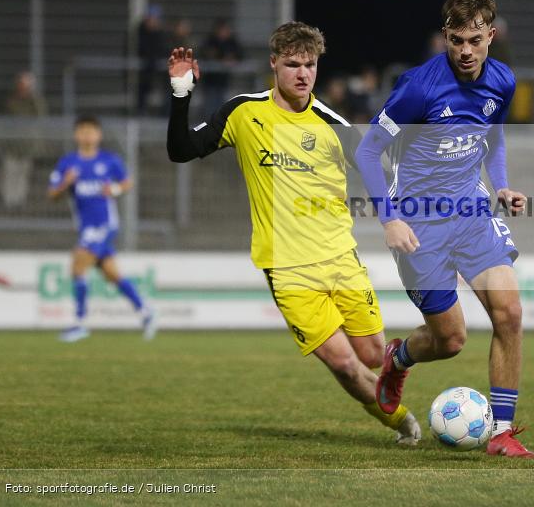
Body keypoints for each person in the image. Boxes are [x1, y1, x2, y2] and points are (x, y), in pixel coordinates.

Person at [165, 23, 421, 446]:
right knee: (342, 364)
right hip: (286, 268)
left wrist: (393, 218)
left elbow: (377, 172)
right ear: (274, 64)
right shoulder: (242, 113)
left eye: (310, 65)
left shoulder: (333, 124)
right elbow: (181, 150)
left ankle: (399, 370)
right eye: (292, 65)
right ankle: (401, 423)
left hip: (341, 258)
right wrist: (180, 94)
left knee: (374, 355)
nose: (302, 74)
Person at [355, 0, 534, 458]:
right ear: (445, 37)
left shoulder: (503, 82)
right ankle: (398, 360)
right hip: (418, 221)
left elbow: (492, 139)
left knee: (510, 314)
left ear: (491, 35)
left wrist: (500, 186)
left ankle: (502, 434)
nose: (465, 51)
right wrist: (389, 221)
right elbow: (367, 152)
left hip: (471, 211)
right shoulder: (419, 88)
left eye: (475, 40)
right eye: (456, 40)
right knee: (451, 339)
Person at [48, 116, 156, 342]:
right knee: (112, 275)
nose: (87, 135)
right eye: (83, 131)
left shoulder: (109, 161)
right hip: (85, 227)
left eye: (91, 131)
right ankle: (145, 312)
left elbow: (127, 182)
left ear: (99, 135)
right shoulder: (67, 163)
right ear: (76, 135)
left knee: (78, 265)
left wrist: (114, 189)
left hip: (105, 224)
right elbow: (52, 195)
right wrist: (66, 183)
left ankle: (79, 323)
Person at [1, 71, 48, 208]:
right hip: (11, 144)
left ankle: (19, 201)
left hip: (28, 145)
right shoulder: (12, 101)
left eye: (27, 85)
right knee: (10, 172)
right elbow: (11, 114)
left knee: (23, 174)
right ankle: (8, 201)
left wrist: (33, 97)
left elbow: (41, 114)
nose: (24, 87)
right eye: (22, 84)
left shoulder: (35, 101)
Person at [201, 18, 243, 117]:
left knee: (222, 104)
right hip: (210, 80)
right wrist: (221, 58)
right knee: (209, 104)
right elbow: (206, 54)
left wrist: (232, 59)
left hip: (224, 80)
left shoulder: (231, 41)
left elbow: (240, 54)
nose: (225, 32)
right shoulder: (210, 41)